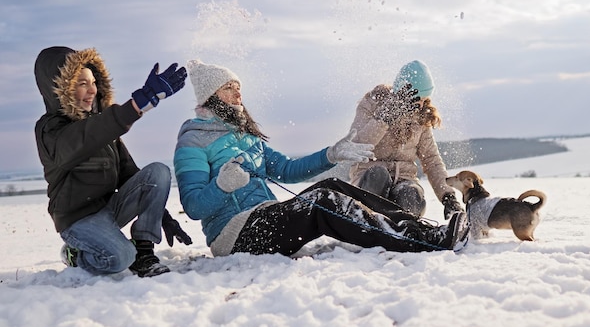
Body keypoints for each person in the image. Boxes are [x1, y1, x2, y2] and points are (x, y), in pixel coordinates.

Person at [173, 60, 469, 258]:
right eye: (228, 87)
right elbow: (194, 206)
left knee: (331, 187)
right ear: (211, 96)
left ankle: (421, 230)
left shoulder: (246, 136)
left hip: (263, 214)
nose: (238, 92)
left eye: (238, 86)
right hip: (234, 234)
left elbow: (288, 170)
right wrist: (223, 185)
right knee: (324, 203)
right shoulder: (194, 140)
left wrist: (331, 154)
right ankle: (423, 242)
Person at [34, 46, 193, 278]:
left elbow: (131, 175)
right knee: (119, 258)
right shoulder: (50, 129)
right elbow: (83, 138)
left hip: (110, 209)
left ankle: (144, 252)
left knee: (157, 171)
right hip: (77, 220)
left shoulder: (104, 128)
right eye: (81, 84)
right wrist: (135, 107)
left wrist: (162, 216)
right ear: (60, 89)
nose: (92, 91)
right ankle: (75, 254)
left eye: (93, 82)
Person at [348, 59, 464, 221]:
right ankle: (365, 222)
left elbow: (431, 160)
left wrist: (448, 196)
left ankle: (402, 227)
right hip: (369, 179)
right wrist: (384, 119)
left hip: (404, 179)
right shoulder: (372, 105)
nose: (422, 104)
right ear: (406, 92)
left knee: (410, 195)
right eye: (419, 98)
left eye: (425, 99)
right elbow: (356, 146)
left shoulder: (421, 116)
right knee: (378, 175)